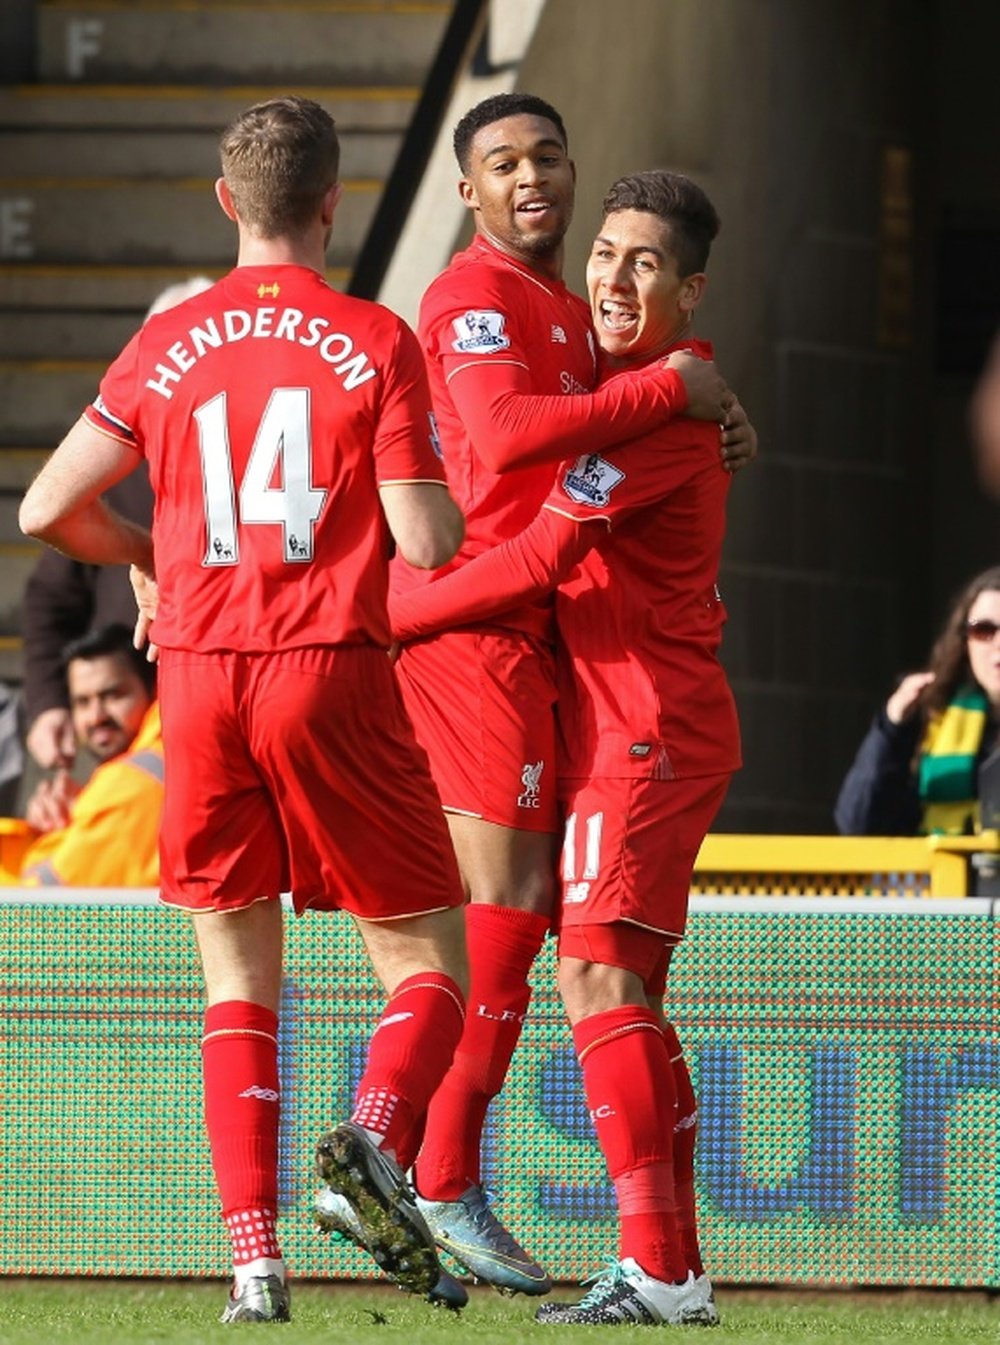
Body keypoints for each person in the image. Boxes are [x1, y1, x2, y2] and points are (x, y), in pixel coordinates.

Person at [19, 95, 473, 1324]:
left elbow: (44, 509)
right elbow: (427, 540)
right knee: (432, 956)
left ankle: (254, 1267)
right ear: (335, 202)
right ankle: (372, 1142)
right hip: (327, 662)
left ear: (227, 203)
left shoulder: (167, 342)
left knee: (235, 975)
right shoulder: (374, 336)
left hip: (203, 679)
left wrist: (152, 557)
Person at [334, 92, 751, 1298]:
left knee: (572, 967)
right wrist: (685, 387)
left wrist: (693, 391)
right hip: (498, 650)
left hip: (625, 714)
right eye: (503, 162)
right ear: (464, 189)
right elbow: (511, 436)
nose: (616, 274)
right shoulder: (477, 300)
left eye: (549, 157)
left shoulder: (590, 335)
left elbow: (553, 528)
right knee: (543, 948)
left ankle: (455, 1169)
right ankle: (444, 1165)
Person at [22, 277, 213, 773]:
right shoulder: (114, 475)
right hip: (127, 736)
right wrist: (48, 705)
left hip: (218, 712)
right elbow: (48, 598)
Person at [835, 566, 1000, 835]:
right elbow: (859, 824)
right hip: (945, 875)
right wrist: (891, 730)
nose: (998, 643)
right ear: (964, 638)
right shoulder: (933, 718)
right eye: (984, 629)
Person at [0, 623, 161, 886]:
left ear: (153, 689)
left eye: (113, 695)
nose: (97, 716)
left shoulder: (136, 783)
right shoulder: (132, 774)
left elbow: (42, 897)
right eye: (83, 702)